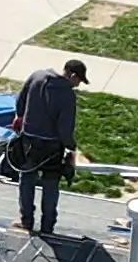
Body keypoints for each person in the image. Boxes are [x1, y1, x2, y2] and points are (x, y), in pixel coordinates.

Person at [7, 54, 84, 236]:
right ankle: (47, 226)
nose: (78, 85)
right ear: (71, 75)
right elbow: (65, 129)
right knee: (50, 184)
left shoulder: (37, 76)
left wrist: (22, 119)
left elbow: (20, 104)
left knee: (26, 179)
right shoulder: (67, 95)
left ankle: (26, 221)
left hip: (28, 141)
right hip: (51, 147)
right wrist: (71, 147)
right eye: (79, 80)